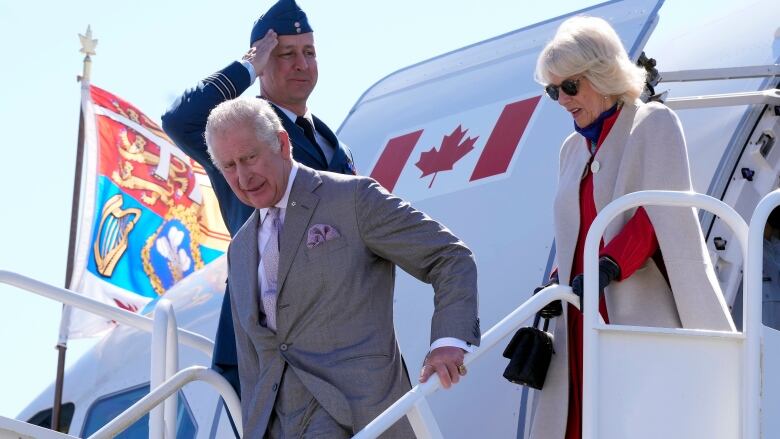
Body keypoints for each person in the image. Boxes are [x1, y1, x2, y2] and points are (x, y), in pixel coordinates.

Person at [204, 97, 480, 438]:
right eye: (229, 166)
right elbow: (253, 362)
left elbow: (449, 256)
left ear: (282, 143)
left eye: (250, 158)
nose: (243, 177)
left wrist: (448, 341)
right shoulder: (240, 248)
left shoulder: (352, 199)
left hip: (362, 418)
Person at [530, 16, 735, 439]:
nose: (562, 99)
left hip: (634, 308)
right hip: (581, 315)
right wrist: (555, 282)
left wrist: (608, 264)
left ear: (603, 74)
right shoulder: (571, 150)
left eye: (571, 86)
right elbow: (577, 230)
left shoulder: (652, 122)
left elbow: (660, 211)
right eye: (554, 90)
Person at [161, 0, 356, 397]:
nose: (302, 64)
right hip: (268, 334)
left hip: (339, 331)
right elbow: (181, 119)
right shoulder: (237, 130)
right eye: (286, 54)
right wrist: (247, 64)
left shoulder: (334, 145)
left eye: (309, 52)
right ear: (264, 61)